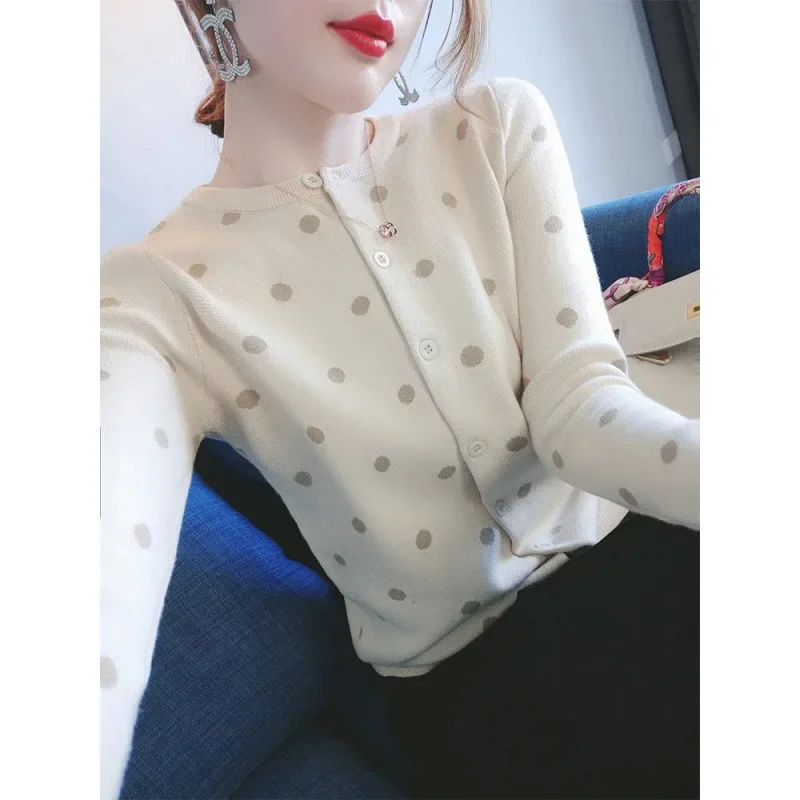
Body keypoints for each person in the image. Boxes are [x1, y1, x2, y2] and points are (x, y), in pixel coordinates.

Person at [100, 1, 700, 798]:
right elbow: (100, 580)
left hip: (634, 545)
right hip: (480, 683)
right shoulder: (154, 294)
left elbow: (579, 407)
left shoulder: (496, 125)